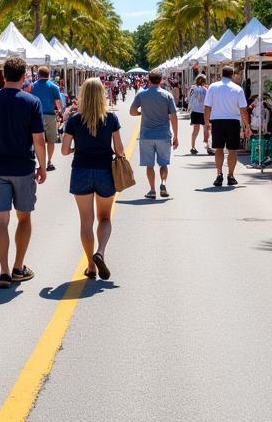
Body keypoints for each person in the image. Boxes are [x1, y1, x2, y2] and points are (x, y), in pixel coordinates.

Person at [0, 55, 47, 289]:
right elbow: (39, 140)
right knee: (24, 218)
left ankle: (3, 271)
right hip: (23, 168)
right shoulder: (31, 102)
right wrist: (42, 166)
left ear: (3, 75)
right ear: (24, 77)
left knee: (0, 221)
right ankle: (18, 267)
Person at [62, 77, 125, 280]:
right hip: (105, 170)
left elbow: (64, 150)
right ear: (102, 95)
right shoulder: (111, 118)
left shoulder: (73, 120)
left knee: (85, 222)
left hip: (80, 170)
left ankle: (90, 265)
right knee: (104, 218)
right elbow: (120, 149)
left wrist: (75, 148)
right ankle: (101, 252)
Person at [130, 70, 179, 199]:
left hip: (146, 135)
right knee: (163, 164)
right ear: (161, 80)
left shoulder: (142, 95)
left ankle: (152, 190)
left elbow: (132, 111)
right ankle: (163, 183)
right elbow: (173, 116)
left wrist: (142, 113)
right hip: (163, 135)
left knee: (149, 165)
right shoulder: (167, 95)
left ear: (149, 80)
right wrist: (176, 135)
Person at [204, 65, 251, 187]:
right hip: (233, 122)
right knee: (232, 150)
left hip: (217, 121)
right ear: (233, 75)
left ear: (221, 74)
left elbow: (207, 107)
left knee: (218, 149)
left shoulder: (213, 87)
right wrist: (247, 126)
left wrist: (206, 124)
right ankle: (231, 175)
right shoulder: (238, 89)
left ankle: (219, 174)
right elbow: (243, 109)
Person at [30, 65, 64, 172]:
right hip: (50, 116)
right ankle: (49, 161)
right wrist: (61, 112)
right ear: (48, 75)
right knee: (51, 140)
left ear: (38, 75)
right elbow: (58, 103)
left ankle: (40, 162)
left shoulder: (32, 86)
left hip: (36, 116)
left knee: (37, 140)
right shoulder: (54, 87)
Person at [187, 74, 211, 155]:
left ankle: (193, 147)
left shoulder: (193, 89)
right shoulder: (206, 90)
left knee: (195, 130)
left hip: (195, 111)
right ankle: (209, 147)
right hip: (204, 111)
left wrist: (189, 110)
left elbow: (190, 99)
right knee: (206, 129)